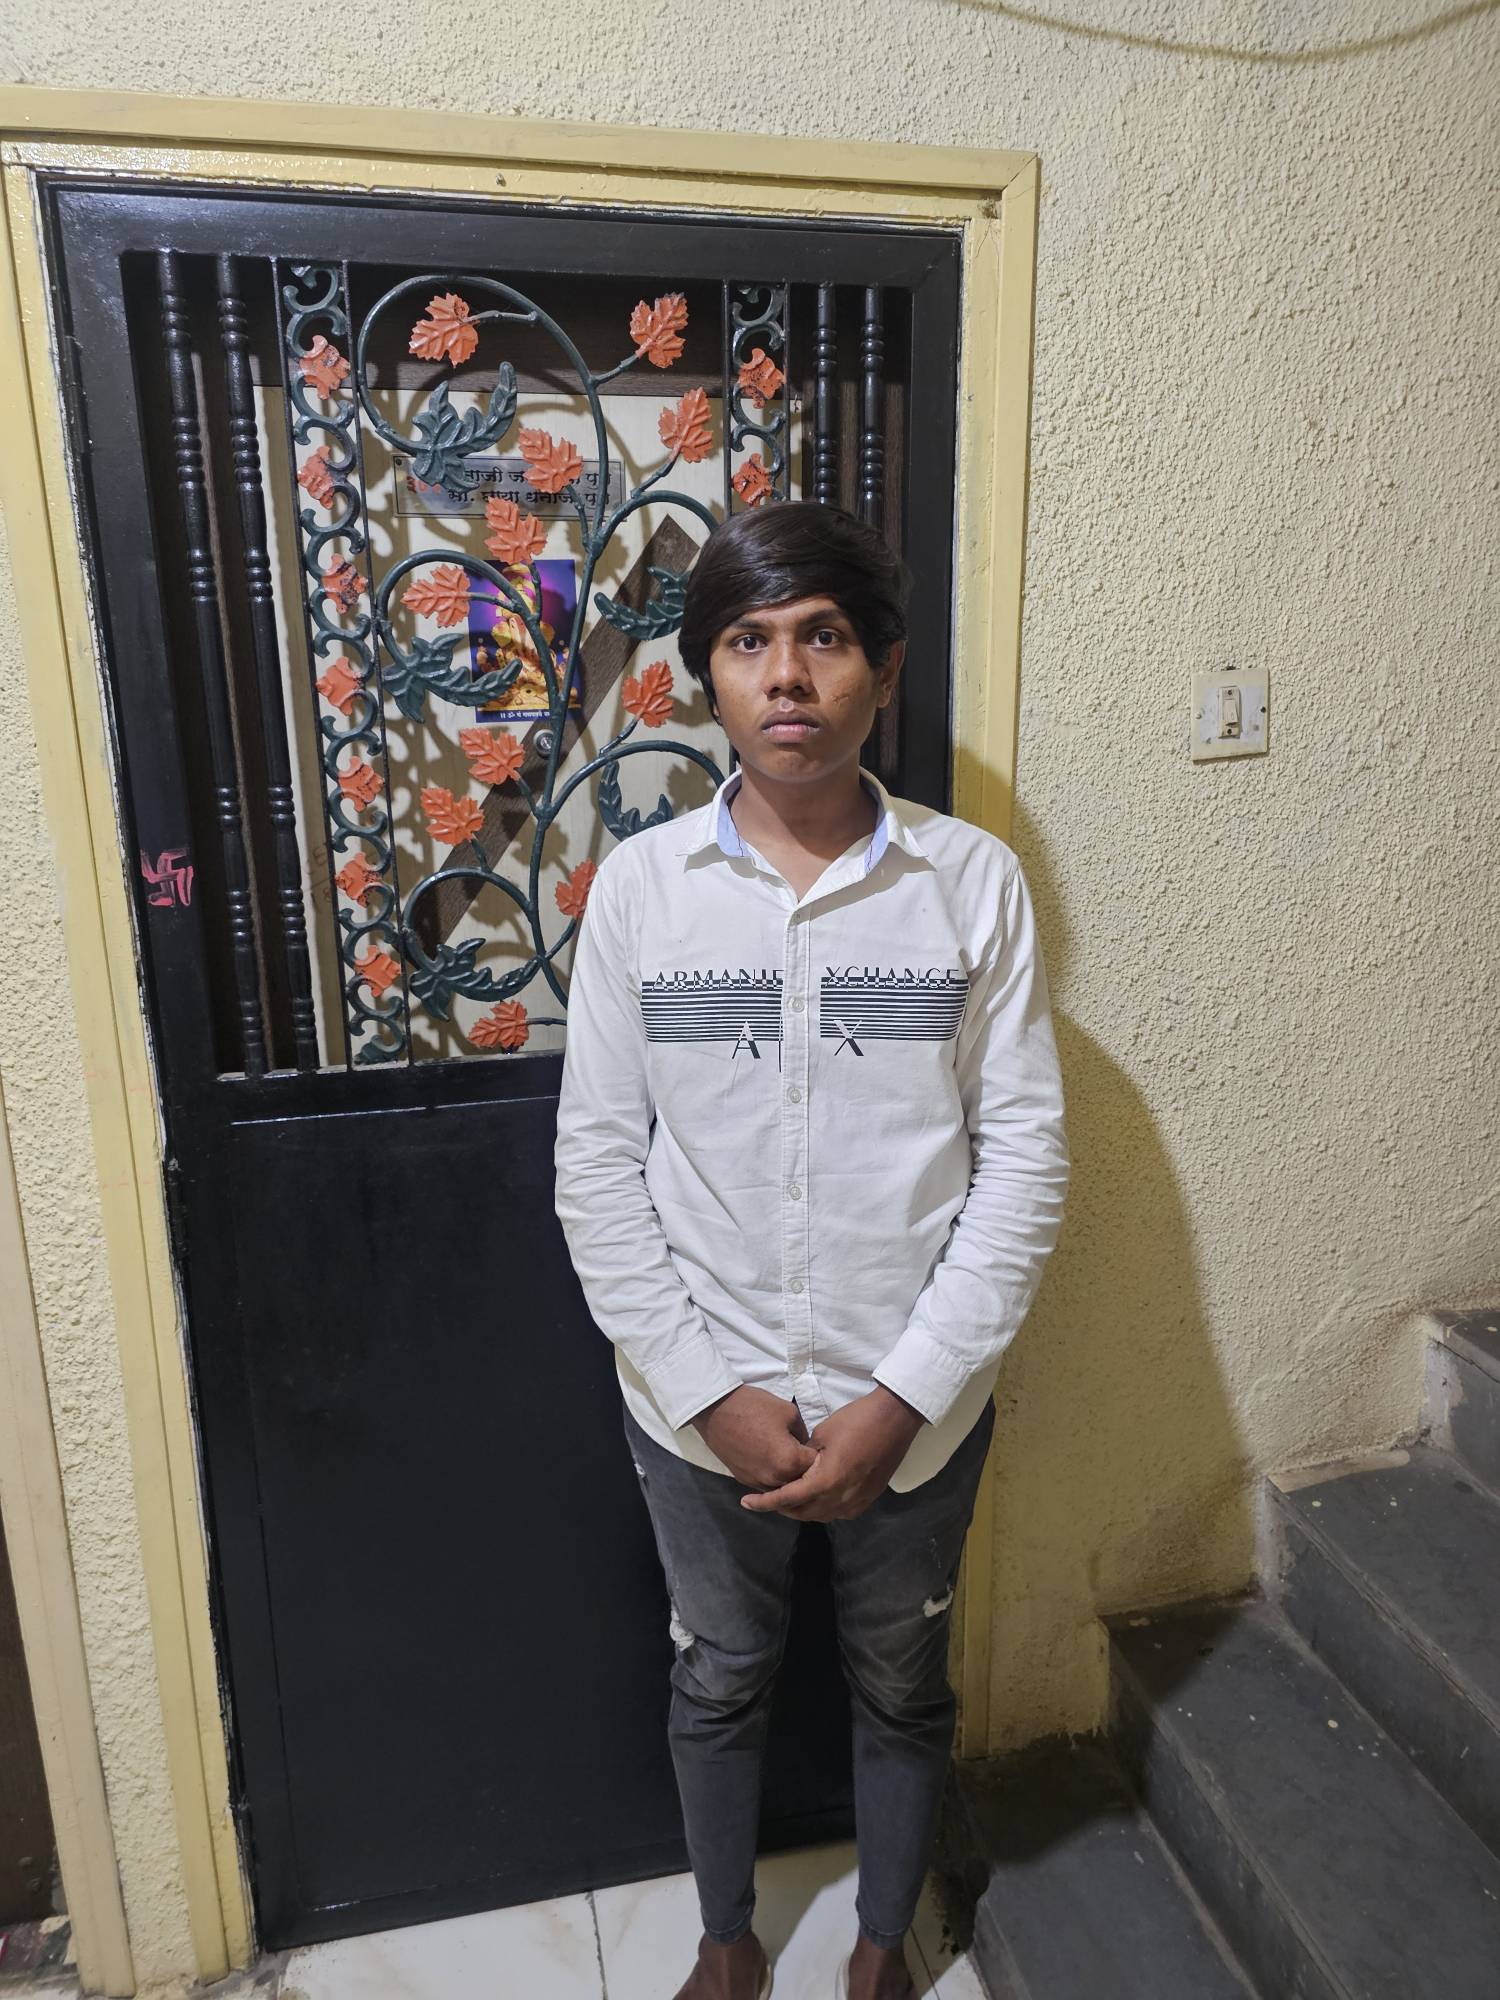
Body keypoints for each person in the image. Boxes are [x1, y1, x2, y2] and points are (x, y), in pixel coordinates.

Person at [553, 500, 1069, 2000]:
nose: (787, 675)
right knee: (719, 1676)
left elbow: (1024, 1160)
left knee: (902, 1683)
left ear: (883, 670)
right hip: (696, 1408)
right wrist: (708, 1392)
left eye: (824, 638)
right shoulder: (644, 891)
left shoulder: (969, 885)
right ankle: (727, 1941)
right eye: (748, 641)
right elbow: (596, 1169)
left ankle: (880, 1942)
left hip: (916, 1408)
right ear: (709, 676)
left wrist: (903, 1396)